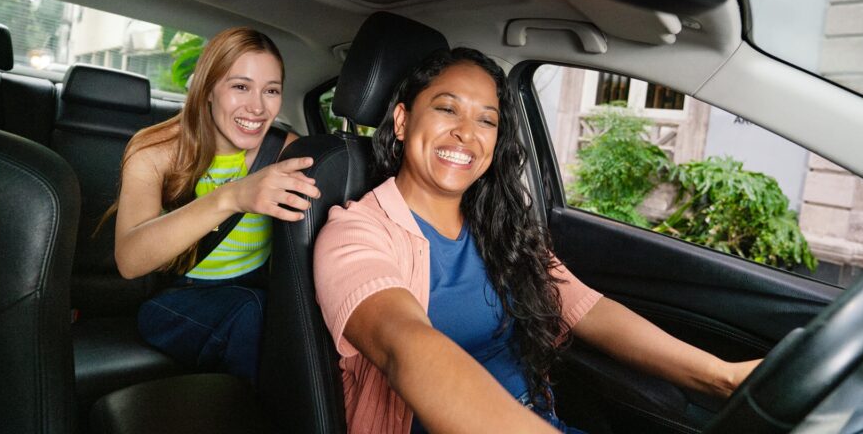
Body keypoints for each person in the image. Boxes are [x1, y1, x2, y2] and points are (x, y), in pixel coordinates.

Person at [314, 48, 759, 434]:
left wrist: (723, 377)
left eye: (486, 120)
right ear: (402, 121)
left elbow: (586, 308)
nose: (466, 132)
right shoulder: (354, 234)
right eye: (447, 109)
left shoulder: (497, 225)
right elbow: (407, 348)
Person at [110, 26, 320, 384]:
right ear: (207, 90)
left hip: (257, 291)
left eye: (271, 91)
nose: (257, 107)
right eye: (240, 87)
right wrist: (232, 196)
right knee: (251, 313)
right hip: (178, 298)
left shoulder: (287, 151)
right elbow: (129, 261)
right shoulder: (154, 152)